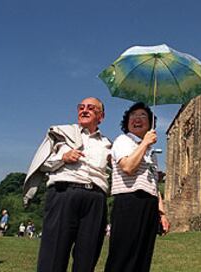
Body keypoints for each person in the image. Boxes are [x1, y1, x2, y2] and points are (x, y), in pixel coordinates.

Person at [24, 97, 111, 272]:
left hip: (95, 200)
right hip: (64, 193)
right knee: (53, 256)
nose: (84, 110)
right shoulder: (61, 133)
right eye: (81, 107)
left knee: (87, 257)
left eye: (91, 108)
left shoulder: (107, 144)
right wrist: (62, 158)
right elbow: (40, 163)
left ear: (101, 116)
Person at [105, 102, 170, 272]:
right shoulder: (123, 141)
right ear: (127, 122)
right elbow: (128, 167)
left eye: (143, 116)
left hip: (149, 204)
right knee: (123, 255)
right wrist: (144, 144)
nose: (137, 119)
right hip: (129, 201)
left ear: (151, 123)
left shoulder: (150, 152)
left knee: (143, 256)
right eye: (133, 115)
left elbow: (154, 184)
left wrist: (161, 213)